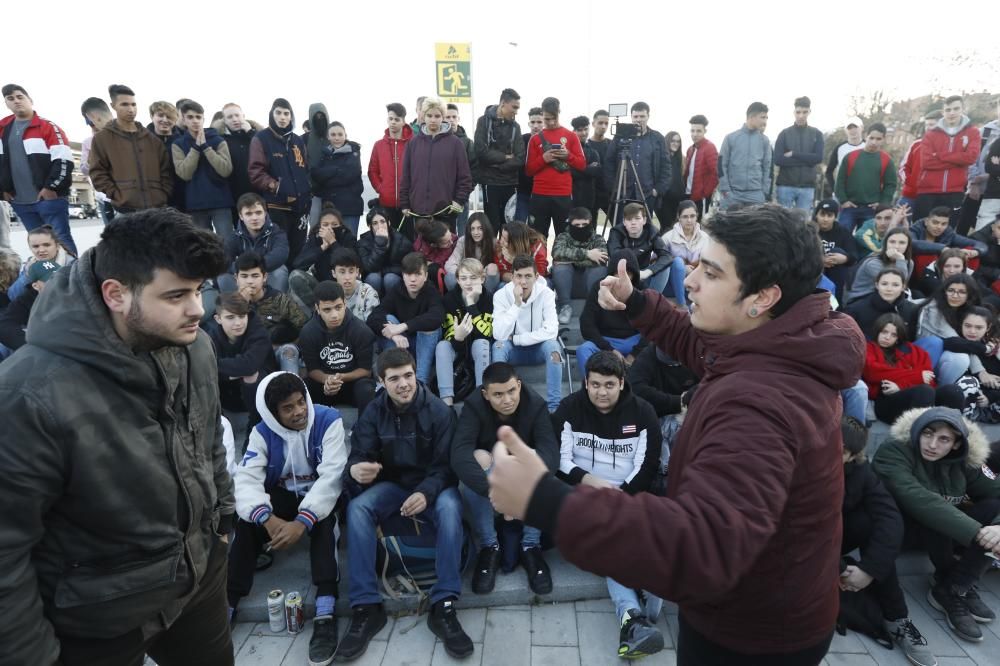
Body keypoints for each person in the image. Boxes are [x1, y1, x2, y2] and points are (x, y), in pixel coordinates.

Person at [488, 204, 867, 664]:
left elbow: (701, 547)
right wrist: (639, 303)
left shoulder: (760, 405)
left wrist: (544, 500)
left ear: (762, 298)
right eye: (694, 265)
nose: (689, 281)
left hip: (751, 636)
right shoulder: (778, 342)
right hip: (765, 609)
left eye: (709, 272)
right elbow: (704, 349)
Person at [0, 210, 236, 665]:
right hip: (96, 620)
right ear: (116, 294)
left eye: (199, 290)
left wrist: (222, 522)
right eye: (176, 295)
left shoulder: (194, 346)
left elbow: (207, 441)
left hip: (198, 577)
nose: (198, 309)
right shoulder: (26, 396)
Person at [340, 348, 473, 661]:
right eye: (395, 378)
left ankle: (444, 604)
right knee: (357, 508)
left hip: (433, 487)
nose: (404, 384)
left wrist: (426, 492)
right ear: (382, 382)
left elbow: (447, 466)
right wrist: (356, 470)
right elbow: (360, 453)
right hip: (392, 486)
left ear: (418, 374)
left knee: (452, 508)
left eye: (408, 375)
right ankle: (366, 606)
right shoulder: (373, 411)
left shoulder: (440, 411)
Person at [228, 371, 347, 666]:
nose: (299, 412)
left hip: (320, 498)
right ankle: (227, 604)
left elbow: (332, 477)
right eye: (288, 408)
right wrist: (267, 519)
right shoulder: (262, 431)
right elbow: (246, 479)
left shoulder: (328, 419)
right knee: (246, 521)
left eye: (300, 402)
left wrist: (301, 522)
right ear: (272, 413)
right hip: (282, 498)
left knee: (323, 519)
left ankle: (325, 611)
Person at [553, 351, 663, 659]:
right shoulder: (569, 408)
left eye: (609, 385)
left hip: (628, 497)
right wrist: (593, 483)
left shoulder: (643, 412)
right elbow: (559, 461)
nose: (602, 392)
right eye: (595, 384)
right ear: (586, 382)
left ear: (622, 383)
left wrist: (620, 496)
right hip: (582, 498)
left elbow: (646, 466)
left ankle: (633, 618)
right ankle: (643, 593)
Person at [872, 407, 1000, 643]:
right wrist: (979, 533)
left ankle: (953, 586)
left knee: (993, 508)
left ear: (955, 444)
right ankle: (950, 578)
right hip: (897, 530)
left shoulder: (967, 459)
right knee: (935, 508)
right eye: (927, 434)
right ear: (918, 432)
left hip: (946, 531)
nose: (932, 444)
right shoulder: (893, 451)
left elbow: (996, 490)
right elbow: (919, 500)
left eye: (943, 439)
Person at [838, 417, 938, 666]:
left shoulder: (861, 472)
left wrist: (869, 569)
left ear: (852, 456)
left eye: (839, 451)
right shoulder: (798, 464)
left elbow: (890, 519)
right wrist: (837, 568)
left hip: (831, 541)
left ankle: (897, 618)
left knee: (871, 523)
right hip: (791, 547)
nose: (827, 455)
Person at [452, 362, 557, 593]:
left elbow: (551, 453)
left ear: (519, 385)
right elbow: (459, 454)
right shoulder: (473, 405)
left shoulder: (535, 404)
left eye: (511, 391)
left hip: (523, 477)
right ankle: (489, 546)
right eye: (498, 394)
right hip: (491, 476)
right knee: (476, 457)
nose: (507, 399)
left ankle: (531, 545)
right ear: (485, 394)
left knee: (536, 459)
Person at [1, 84, 76, 255]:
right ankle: (48, 280)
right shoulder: (2, 129)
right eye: (10, 99)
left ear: (30, 100)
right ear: (6, 103)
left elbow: (64, 160)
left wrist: (51, 187)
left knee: (61, 241)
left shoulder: (47, 126)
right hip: (20, 201)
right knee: (39, 248)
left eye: (20, 97)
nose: (16, 101)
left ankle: (71, 279)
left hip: (49, 199)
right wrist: (3, 190)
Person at [863, 313, 964, 423]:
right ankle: (920, 432)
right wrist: (916, 376)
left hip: (917, 398)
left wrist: (901, 386)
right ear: (877, 331)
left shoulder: (917, 352)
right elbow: (872, 372)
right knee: (924, 391)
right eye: (884, 332)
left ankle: (953, 428)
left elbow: (928, 381)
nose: (887, 337)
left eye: (893, 335)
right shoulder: (869, 348)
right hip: (886, 402)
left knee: (953, 391)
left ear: (898, 338)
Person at [88, 84, 173, 215]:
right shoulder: (102, 139)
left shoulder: (152, 139)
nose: (131, 109)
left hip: (157, 209)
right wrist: (116, 194)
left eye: (134, 104)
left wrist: (162, 194)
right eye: (125, 104)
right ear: (113, 106)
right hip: (125, 210)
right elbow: (97, 173)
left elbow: (166, 172)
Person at [492, 255, 562, 412]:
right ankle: (502, 407)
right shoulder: (501, 295)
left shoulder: (546, 294)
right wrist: (516, 304)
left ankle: (554, 409)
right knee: (499, 346)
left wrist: (517, 339)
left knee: (554, 348)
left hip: (538, 349)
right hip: (513, 351)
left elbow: (551, 331)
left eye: (528, 276)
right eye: (519, 276)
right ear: (512, 276)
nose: (523, 282)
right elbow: (498, 334)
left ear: (537, 277)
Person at [248, 98, 311, 266]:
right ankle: (278, 290)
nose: (282, 117)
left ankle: (294, 287)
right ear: (272, 114)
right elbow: (255, 172)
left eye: (286, 113)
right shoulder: (261, 138)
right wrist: (276, 186)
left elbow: (305, 169)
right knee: (279, 251)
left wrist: (307, 190)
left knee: (298, 251)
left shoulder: (297, 140)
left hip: (301, 206)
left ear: (291, 116)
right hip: (277, 206)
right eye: (278, 113)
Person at [299, 280, 377, 414]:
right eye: (327, 309)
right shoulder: (308, 332)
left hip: (353, 383)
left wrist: (340, 377)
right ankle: (310, 429)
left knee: (367, 388)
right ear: (317, 309)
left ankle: (364, 429)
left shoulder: (361, 331)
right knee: (303, 388)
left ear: (345, 304)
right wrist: (327, 380)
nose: (334, 315)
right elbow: (312, 369)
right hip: (323, 384)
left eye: (338, 307)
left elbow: (365, 370)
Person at [367, 252, 444, 384]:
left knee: (430, 326)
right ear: (403, 275)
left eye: (417, 274)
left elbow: (437, 316)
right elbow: (374, 317)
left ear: (425, 276)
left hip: (425, 346)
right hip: (401, 344)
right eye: (408, 274)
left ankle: (420, 381)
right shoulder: (398, 290)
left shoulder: (431, 291)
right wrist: (394, 335)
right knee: (388, 318)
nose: (412, 279)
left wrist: (403, 326)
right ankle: (395, 378)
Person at [202, 292, 275, 432]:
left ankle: (255, 427)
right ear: (218, 319)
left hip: (262, 394)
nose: (238, 323)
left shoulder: (258, 332)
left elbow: (249, 366)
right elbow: (203, 368)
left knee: (251, 375)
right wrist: (231, 372)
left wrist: (218, 366)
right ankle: (217, 428)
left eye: (242, 316)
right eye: (230, 317)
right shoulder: (211, 338)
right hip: (228, 397)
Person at [399, 97, 472, 235]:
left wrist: (458, 201)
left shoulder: (455, 143)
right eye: (429, 115)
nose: (433, 119)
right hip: (418, 211)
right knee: (421, 253)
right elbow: (406, 176)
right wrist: (405, 203)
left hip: (445, 212)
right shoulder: (413, 144)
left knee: (445, 252)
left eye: (437, 116)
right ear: (423, 116)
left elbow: (465, 177)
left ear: (443, 117)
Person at [232, 252, 308, 373]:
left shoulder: (279, 299)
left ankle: (292, 387)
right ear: (236, 278)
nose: (250, 281)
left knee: (289, 351)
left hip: (276, 351)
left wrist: (284, 344)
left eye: (255, 276)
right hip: (247, 354)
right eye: (244, 276)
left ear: (265, 277)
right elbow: (229, 337)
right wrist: (242, 305)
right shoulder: (230, 304)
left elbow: (304, 328)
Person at [172, 100, 235, 243]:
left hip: (221, 202)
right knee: (203, 246)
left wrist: (206, 147)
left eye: (198, 117)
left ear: (203, 119)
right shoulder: (178, 144)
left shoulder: (218, 140)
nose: (195, 121)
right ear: (183, 119)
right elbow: (184, 173)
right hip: (196, 204)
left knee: (228, 244)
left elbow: (226, 170)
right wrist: (195, 148)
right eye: (190, 117)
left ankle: (229, 267)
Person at [576, 250, 645, 378]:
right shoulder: (599, 287)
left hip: (634, 340)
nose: (622, 277)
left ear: (634, 275)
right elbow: (586, 324)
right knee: (584, 350)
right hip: (606, 341)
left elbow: (652, 327)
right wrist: (610, 350)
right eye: (617, 273)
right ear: (611, 273)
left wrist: (634, 355)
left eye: (628, 273)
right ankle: (593, 389)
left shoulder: (642, 289)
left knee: (659, 344)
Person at [525, 97, 586, 239]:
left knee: (565, 237)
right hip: (540, 195)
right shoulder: (534, 139)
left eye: (554, 118)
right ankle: (539, 262)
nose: (551, 122)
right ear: (542, 114)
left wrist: (568, 156)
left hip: (563, 195)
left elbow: (582, 164)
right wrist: (543, 159)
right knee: (537, 237)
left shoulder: (571, 136)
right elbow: (528, 170)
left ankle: (562, 262)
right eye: (547, 119)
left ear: (559, 112)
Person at [915, 96, 981, 224]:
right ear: (943, 112)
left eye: (956, 109)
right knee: (921, 230)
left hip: (955, 192)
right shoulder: (931, 134)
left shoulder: (973, 132)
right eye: (948, 109)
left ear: (963, 109)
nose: (952, 113)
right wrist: (958, 160)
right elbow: (926, 162)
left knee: (947, 232)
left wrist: (939, 155)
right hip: (927, 191)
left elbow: (971, 157)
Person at [436, 258, 493, 405]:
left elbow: (486, 335)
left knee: (480, 343)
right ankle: (446, 403)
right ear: (457, 280)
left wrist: (471, 304)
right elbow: (448, 336)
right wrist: (458, 339)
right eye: (463, 278)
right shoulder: (448, 300)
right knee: (442, 346)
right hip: (457, 350)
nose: (468, 282)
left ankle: (482, 400)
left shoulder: (488, 299)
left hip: (480, 350)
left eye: (473, 278)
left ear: (482, 279)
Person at [601, 102, 670, 223]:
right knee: (621, 227)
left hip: (647, 193)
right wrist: (613, 188)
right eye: (636, 117)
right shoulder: (620, 136)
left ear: (648, 116)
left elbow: (666, 166)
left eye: (642, 116)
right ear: (631, 117)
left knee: (645, 230)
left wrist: (658, 190)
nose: (639, 120)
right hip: (623, 194)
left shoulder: (657, 138)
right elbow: (609, 163)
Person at [607, 202, 685, 306]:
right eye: (629, 219)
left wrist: (648, 271)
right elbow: (615, 255)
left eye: (637, 218)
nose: (633, 223)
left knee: (666, 266)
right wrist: (633, 273)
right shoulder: (616, 232)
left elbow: (666, 256)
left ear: (644, 220)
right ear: (624, 222)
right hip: (624, 274)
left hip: (644, 275)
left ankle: (651, 303)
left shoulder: (651, 232)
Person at [290, 204, 358, 306]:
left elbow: (349, 262)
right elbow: (298, 264)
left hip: (345, 285)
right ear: (319, 227)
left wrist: (333, 242)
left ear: (341, 225)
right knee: (295, 276)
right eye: (325, 225)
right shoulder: (315, 238)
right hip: (321, 285)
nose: (329, 229)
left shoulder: (348, 238)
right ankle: (318, 311)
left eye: (334, 225)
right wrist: (322, 248)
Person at [834, 123, 898, 232]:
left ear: (884, 139)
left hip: (871, 210)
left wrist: (882, 204)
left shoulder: (886, 160)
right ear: (865, 136)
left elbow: (890, 185)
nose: (874, 142)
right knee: (842, 237)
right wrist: (843, 200)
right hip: (850, 207)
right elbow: (840, 181)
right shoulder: (850, 157)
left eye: (878, 139)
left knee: (866, 243)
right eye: (871, 138)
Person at [221, 193, 289, 293]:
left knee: (280, 271)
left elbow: (280, 255)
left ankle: (276, 305)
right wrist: (245, 270)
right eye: (249, 214)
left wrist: (254, 267)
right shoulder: (234, 236)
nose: (254, 218)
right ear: (241, 216)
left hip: (266, 273)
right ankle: (236, 306)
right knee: (223, 276)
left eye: (258, 212)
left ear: (265, 213)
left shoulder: (277, 232)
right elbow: (224, 261)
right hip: (244, 274)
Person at [475, 89, 524, 229]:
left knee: (508, 227)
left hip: (510, 183)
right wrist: (505, 157)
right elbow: (481, 152)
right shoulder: (483, 122)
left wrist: (498, 165)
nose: (516, 111)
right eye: (514, 107)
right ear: (503, 103)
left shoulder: (516, 127)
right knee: (491, 227)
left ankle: (506, 252)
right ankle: (491, 252)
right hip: (490, 184)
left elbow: (520, 158)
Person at [550, 207, 608, 324]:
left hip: (590, 285)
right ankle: (565, 307)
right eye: (577, 225)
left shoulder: (597, 239)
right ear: (570, 223)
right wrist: (588, 254)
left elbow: (602, 259)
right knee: (560, 268)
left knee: (600, 269)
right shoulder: (563, 237)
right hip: (568, 285)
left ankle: (595, 309)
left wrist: (569, 259)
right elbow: (557, 253)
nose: (581, 228)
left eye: (584, 224)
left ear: (590, 223)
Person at [310, 121, 364, 235]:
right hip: (330, 209)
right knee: (331, 245)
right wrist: (336, 170)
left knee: (349, 246)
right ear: (328, 137)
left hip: (350, 208)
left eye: (340, 134)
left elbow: (350, 175)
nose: (337, 138)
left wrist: (327, 176)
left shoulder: (353, 152)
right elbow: (316, 174)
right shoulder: (324, 154)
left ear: (345, 135)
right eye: (333, 135)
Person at [717, 102, 772, 208]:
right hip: (733, 195)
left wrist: (764, 192)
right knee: (728, 225)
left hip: (756, 196)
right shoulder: (730, 138)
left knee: (756, 225)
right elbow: (721, 166)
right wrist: (726, 191)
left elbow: (767, 169)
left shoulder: (764, 141)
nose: (765, 121)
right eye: (763, 117)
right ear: (751, 116)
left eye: (766, 118)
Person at [773, 96, 824, 212]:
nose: (801, 115)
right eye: (798, 112)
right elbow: (778, 160)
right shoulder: (784, 134)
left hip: (807, 187)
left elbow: (818, 158)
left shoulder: (817, 134)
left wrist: (794, 154)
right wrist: (808, 160)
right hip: (785, 186)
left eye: (805, 112)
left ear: (809, 112)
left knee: (803, 224)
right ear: (794, 112)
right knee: (783, 223)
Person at [368, 102, 413, 228]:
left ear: (403, 121)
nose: (393, 122)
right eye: (390, 118)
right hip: (386, 203)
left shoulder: (413, 143)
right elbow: (372, 171)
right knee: (388, 241)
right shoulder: (379, 145)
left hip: (409, 204)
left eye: (397, 119)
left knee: (408, 241)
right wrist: (380, 188)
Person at [0, 257, 60, 351]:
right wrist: (32, 346)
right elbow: (4, 325)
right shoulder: (27, 298)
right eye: (50, 279)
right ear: (35, 286)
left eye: (59, 277)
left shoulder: (74, 291)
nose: (57, 282)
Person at [843, 267, 917, 340]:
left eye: (895, 285)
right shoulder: (856, 309)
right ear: (877, 285)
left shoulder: (912, 310)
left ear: (903, 287)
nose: (889, 289)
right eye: (884, 284)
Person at [844, 227, 913, 305]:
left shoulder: (908, 263)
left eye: (902, 243)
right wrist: (900, 259)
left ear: (908, 245)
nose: (896, 246)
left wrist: (901, 261)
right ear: (885, 244)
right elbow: (896, 281)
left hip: (887, 297)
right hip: (862, 298)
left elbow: (901, 287)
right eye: (892, 242)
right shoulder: (873, 263)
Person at [358, 206, 413, 296]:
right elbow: (368, 267)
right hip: (374, 277)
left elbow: (406, 266)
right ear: (369, 226)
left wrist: (384, 272)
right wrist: (380, 245)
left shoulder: (401, 240)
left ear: (389, 223)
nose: (380, 226)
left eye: (382, 222)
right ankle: (373, 306)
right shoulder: (363, 243)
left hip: (394, 278)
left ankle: (393, 306)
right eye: (375, 223)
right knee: (373, 278)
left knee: (390, 278)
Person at [213, 103, 261, 202]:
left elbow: (265, 149)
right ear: (224, 121)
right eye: (230, 117)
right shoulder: (220, 139)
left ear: (243, 116)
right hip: (233, 194)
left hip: (259, 191)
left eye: (237, 115)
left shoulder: (256, 135)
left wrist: (250, 132)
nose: (234, 119)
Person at [812, 199, 857, 300]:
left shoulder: (843, 232)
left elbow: (854, 256)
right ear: (816, 215)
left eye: (829, 215)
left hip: (835, 272)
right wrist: (819, 260)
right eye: (822, 215)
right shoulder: (809, 230)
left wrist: (845, 259)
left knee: (838, 251)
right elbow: (800, 254)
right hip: (813, 271)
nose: (825, 219)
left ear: (835, 217)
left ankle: (835, 300)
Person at [444, 212, 498, 292]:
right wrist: (466, 275)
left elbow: (498, 267)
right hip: (467, 280)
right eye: (473, 229)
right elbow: (449, 264)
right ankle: (463, 300)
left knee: (492, 268)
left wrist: (480, 275)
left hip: (484, 281)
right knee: (449, 277)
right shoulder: (463, 241)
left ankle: (486, 300)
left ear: (486, 228)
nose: (476, 233)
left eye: (480, 228)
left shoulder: (494, 243)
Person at [898, 114, 939, 216]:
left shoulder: (946, 147)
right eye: (927, 125)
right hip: (910, 195)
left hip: (931, 198)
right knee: (899, 225)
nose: (928, 127)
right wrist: (910, 183)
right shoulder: (916, 144)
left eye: (932, 125)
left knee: (922, 228)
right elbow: (903, 167)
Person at [683, 114, 719, 219]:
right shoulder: (690, 149)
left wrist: (705, 193)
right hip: (688, 194)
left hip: (701, 198)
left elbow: (715, 173)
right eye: (692, 131)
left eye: (698, 131)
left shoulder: (710, 147)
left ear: (705, 131)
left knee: (700, 227)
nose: (695, 134)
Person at [663, 200, 709, 277]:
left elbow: (709, 263)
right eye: (685, 217)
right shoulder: (668, 238)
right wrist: (682, 269)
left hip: (699, 278)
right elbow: (656, 262)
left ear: (697, 216)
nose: (689, 220)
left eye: (692, 216)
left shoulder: (705, 237)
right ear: (678, 217)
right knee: (678, 263)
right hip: (673, 279)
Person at [569, 115, 602, 213]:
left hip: (589, 200)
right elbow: (568, 171)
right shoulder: (568, 150)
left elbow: (596, 171)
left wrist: (576, 168)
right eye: (580, 130)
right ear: (573, 131)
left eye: (586, 129)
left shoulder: (593, 151)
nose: (583, 133)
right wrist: (588, 169)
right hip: (570, 199)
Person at [826, 116, 865, 197]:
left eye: (855, 127)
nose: (853, 131)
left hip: (864, 193)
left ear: (862, 128)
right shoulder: (839, 148)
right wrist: (835, 189)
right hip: (843, 194)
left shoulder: (869, 147)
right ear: (845, 131)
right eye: (849, 128)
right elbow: (829, 171)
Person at [588, 109, 614, 224]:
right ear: (593, 124)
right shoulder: (586, 146)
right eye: (600, 123)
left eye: (606, 123)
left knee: (618, 224)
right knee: (590, 228)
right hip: (592, 194)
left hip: (610, 194)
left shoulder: (612, 144)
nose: (603, 126)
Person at [656, 131, 686, 228]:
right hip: (664, 201)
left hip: (677, 202)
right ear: (667, 141)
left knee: (674, 228)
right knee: (667, 227)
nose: (675, 143)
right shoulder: (661, 158)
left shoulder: (680, 159)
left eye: (678, 141)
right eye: (673, 141)